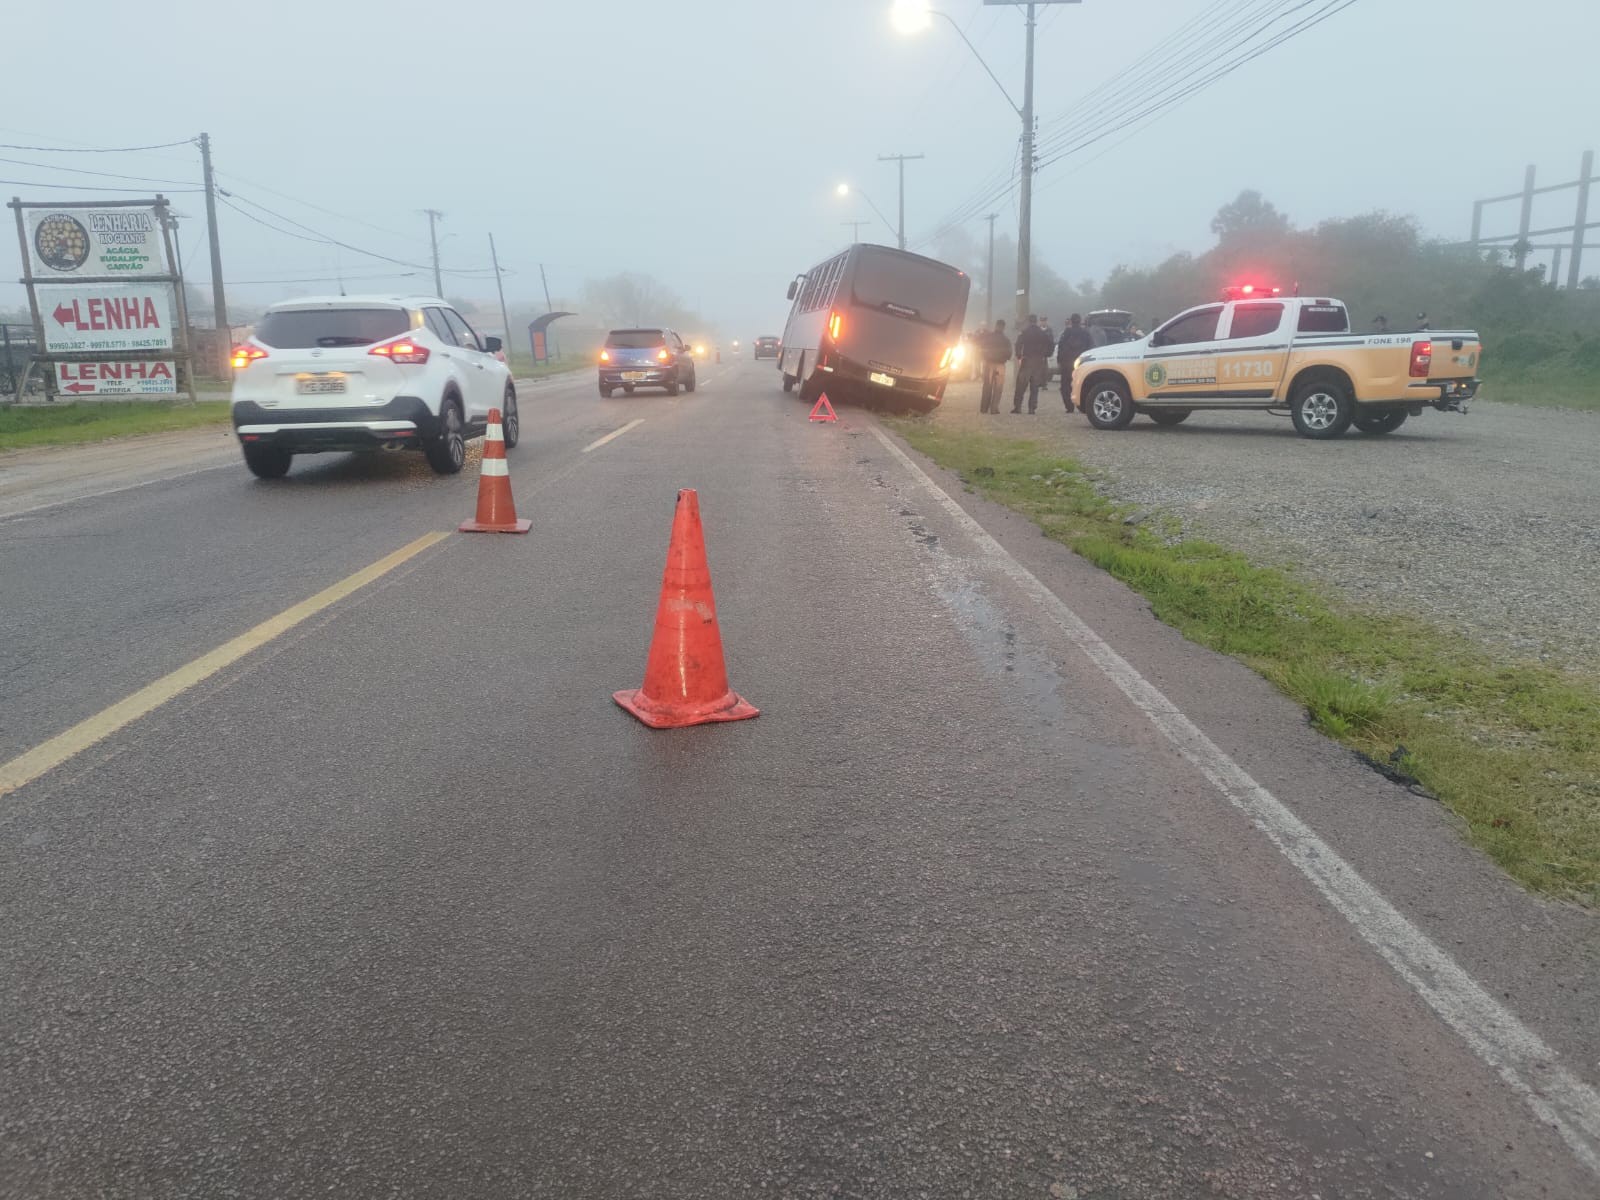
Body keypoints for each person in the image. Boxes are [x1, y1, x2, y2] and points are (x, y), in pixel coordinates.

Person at [1011, 315, 1053, 414]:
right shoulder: (1042, 333)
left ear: (1029, 321)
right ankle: (1032, 408)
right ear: (1036, 321)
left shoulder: (1025, 332)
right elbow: (1051, 343)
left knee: (1021, 386)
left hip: (1027, 360)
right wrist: (1046, 354)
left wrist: (1019, 355)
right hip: (1038, 361)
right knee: (1034, 386)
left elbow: (1018, 343)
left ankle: (1018, 407)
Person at [1056, 314, 1095, 413]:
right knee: (1083, 384)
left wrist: (1059, 360)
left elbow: (1060, 347)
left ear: (1071, 321)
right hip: (1082, 363)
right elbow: (1091, 347)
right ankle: (1082, 405)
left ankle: (1069, 406)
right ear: (1080, 321)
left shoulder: (1066, 332)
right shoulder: (1085, 333)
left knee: (1065, 385)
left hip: (1067, 363)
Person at [979, 319, 1010, 414]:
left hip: (989, 364)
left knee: (987, 386)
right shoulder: (1006, 340)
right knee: (998, 387)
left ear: (995, 326)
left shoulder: (988, 337)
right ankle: (994, 408)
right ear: (1004, 327)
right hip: (1000, 365)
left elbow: (982, 349)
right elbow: (1009, 354)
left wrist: (985, 358)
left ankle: (984, 408)